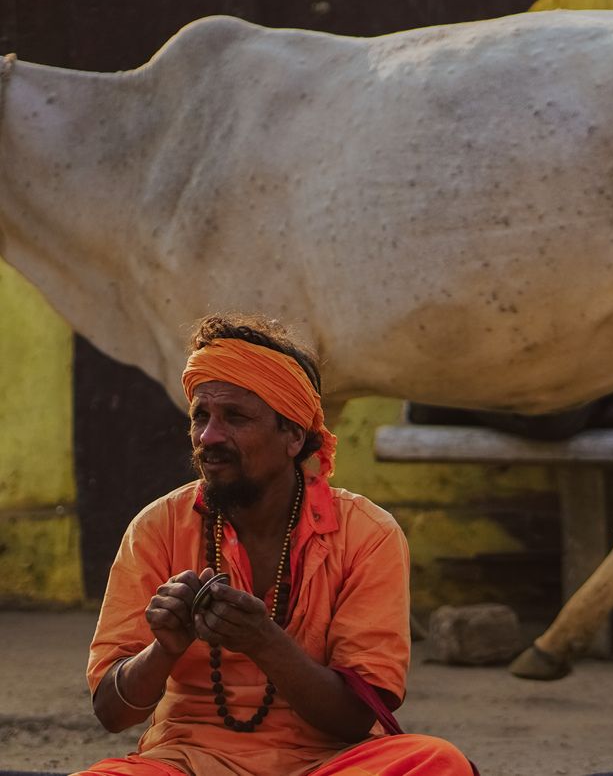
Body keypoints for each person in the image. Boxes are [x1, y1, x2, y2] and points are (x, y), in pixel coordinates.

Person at [73, 315, 473, 776]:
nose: (208, 437)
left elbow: (353, 720)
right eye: (201, 415)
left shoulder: (368, 533)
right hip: (187, 763)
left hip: (328, 764)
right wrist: (163, 648)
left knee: (437, 762)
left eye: (235, 418)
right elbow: (111, 712)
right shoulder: (157, 525)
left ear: (293, 437)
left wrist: (263, 641)